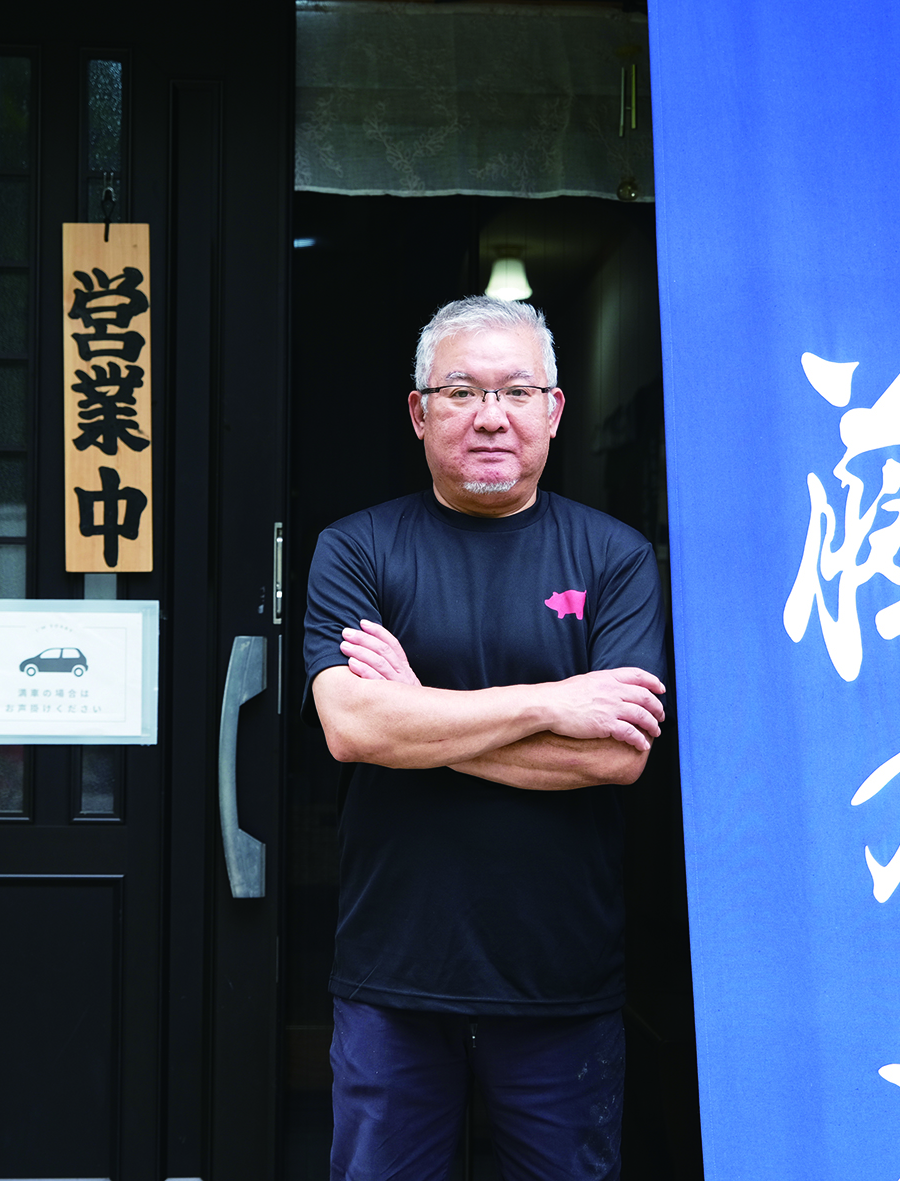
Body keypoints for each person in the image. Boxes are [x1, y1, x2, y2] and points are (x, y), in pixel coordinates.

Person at [303, 295, 669, 1181]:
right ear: (419, 411)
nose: (491, 416)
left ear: (555, 409)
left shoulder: (614, 557)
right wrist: (553, 702)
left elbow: (615, 754)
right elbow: (353, 727)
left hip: (559, 978)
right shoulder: (357, 549)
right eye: (462, 391)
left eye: (517, 391)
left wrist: (418, 714)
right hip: (394, 973)